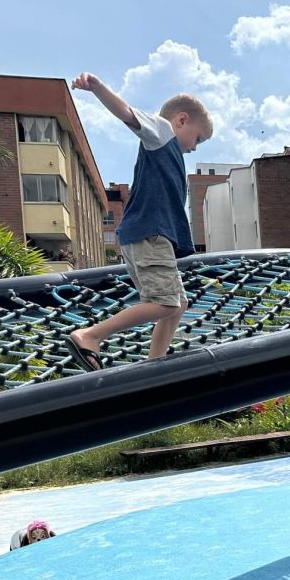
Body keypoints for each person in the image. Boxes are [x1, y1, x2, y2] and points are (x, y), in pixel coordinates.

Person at [66, 73, 213, 370]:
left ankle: (155, 363)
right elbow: (128, 114)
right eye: (198, 138)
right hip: (149, 234)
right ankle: (91, 335)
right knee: (166, 303)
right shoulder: (162, 132)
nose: (195, 148)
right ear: (182, 120)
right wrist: (97, 87)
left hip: (150, 236)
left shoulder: (169, 149)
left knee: (178, 303)